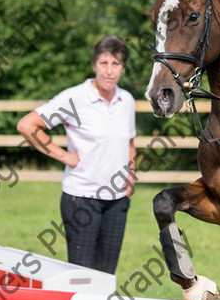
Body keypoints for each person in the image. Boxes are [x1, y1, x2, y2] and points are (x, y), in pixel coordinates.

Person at [17, 36, 137, 273]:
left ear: (123, 68)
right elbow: (27, 125)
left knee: (106, 274)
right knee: (82, 275)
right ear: (94, 64)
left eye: (116, 64)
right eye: (104, 63)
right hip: (82, 198)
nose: (109, 71)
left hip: (117, 200)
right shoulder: (75, 98)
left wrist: (131, 175)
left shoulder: (127, 100)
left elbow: (129, 142)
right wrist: (64, 156)